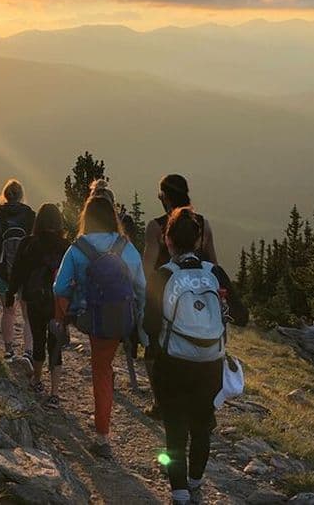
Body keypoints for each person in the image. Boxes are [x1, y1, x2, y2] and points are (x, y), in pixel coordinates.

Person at [143, 207, 248, 505]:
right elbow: (243, 315)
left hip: (173, 363)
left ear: (168, 241)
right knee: (202, 427)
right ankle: (195, 482)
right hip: (210, 363)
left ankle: (179, 495)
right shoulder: (214, 272)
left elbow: (149, 325)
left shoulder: (163, 276)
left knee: (175, 430)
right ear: (199, 241)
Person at [53, 196, 146, 459]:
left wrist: (65, 313)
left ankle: (102, 436)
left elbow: (59, 288)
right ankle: (107, 399)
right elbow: (141, 287)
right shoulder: (126, 247)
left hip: (90, 319)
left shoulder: (77, 248)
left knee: (101, 370)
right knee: (104, 363)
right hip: (122, 318)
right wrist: (140, 319)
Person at [142, 174, 218, 419]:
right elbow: (214, 264)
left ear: (164, 197)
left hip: (168, 301)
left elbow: (147, 270)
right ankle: (201, 403)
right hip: (201, 301)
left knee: (157, 352)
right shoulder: (203, 225)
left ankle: (161, 402)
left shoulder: (156, 227)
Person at [7, 203, 70, 409]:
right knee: (55, 344)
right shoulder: (66, 246)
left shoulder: (29, 243)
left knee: (38, 339)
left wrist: (10, 295)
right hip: (58, 302)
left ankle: (36, 380)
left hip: (34, 299)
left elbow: (18, 272)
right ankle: (55, 393)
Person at [88, 179, 143, 389]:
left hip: (96, 298)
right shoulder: (124, 227)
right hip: (124, 296)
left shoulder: (89, 234)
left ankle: (104, 372)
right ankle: (124, 374)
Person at [0, 179, 36, 363]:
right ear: (21, 195)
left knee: (8, 311)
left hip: (3, 272)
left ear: (4, 195)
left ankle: (8, 350)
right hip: (27, 273)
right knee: (28, 315)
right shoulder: (30, 216)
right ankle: (28, 352)